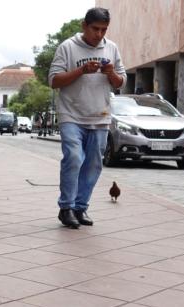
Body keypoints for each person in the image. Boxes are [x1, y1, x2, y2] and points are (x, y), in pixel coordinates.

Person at [49, 7, 126, 229]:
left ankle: (80, 208)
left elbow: (121, 81)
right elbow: (54, 80)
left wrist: (111, 73)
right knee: (73, 158)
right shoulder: (67, 47)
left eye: (104, 30)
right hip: (71, 114)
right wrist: (81, 71)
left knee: (93, 164)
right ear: (84, 26)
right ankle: (66, 208)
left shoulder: (111, 48)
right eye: (95, 29)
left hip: (100, 116)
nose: (99, 34)